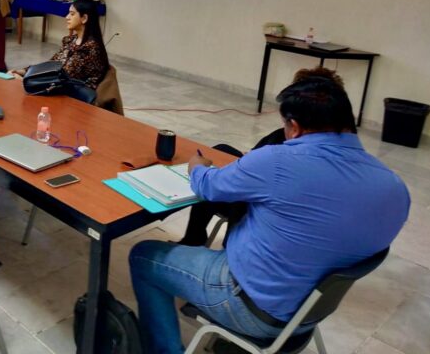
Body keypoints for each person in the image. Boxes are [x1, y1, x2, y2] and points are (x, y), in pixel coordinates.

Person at [129, 76, 410, 354]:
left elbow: (209, 188)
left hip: (250, 304)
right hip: (307, 315)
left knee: (143, 256)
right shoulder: (395, 189)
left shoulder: (277, 161)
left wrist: (197, 166)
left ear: (295, 127)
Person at [178, 66, 351, 247]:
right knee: (222, 150)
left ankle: (196, 240)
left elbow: (214, 186)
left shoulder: (279, 153)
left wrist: (197, 168)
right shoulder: (346, 149)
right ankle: (194, 237)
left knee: (211, 176)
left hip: (254, 216)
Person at [12, 0, 109, 90]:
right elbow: (52, 64)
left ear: (84, 18)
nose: (67, 17)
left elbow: (64, 78)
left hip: (77, 96)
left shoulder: (90, 47)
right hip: (63, 88)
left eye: (72, 14)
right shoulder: (72, 40)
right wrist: (25, 71)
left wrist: (25, 80)